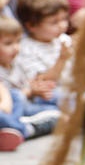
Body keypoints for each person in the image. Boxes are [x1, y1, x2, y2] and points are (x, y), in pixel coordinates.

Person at [0, 12, 60, 150]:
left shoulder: (17, 62)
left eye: (18, 41)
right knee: (15, 96)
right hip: (8, 111)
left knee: (58, 114)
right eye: (8, 43)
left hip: (21, 110)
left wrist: (36, 90)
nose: (16, 48)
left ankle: (17, 129)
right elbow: (9, 102)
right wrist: (27, 92)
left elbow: (29, 88)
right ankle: (23, 130)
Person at [7, 0, 70, 104]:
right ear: (31, 26)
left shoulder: (63, 39)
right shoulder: (26, 49)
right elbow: (42, 81)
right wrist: (62, 59)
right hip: (44, 97)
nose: (62, 25)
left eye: (64, 19)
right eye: (54, 22)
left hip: (69, 89)